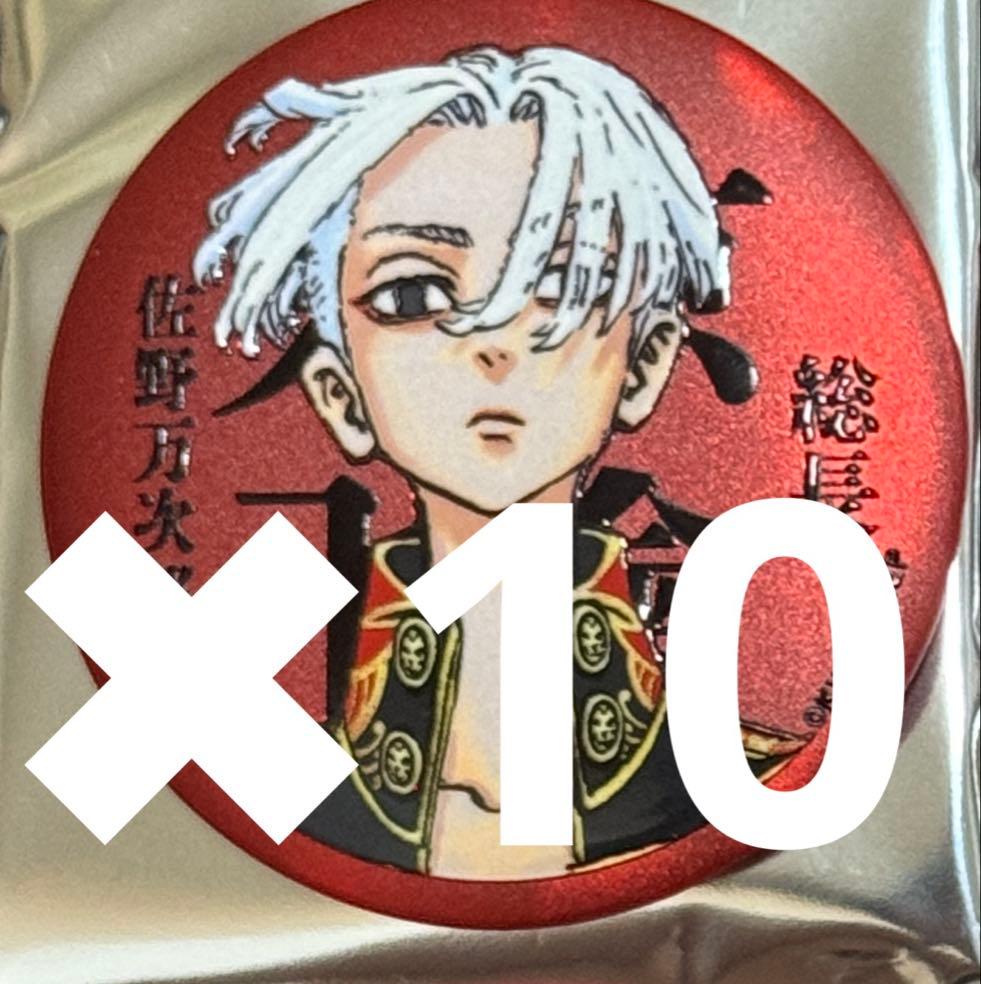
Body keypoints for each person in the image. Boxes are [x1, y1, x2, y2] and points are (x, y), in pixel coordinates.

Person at [193, 45, 805, 878]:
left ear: (644, 364)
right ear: (339, 394)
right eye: (413, 294)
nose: (493, 343)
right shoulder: (280, 802)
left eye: (562, 285)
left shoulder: (738, 789)